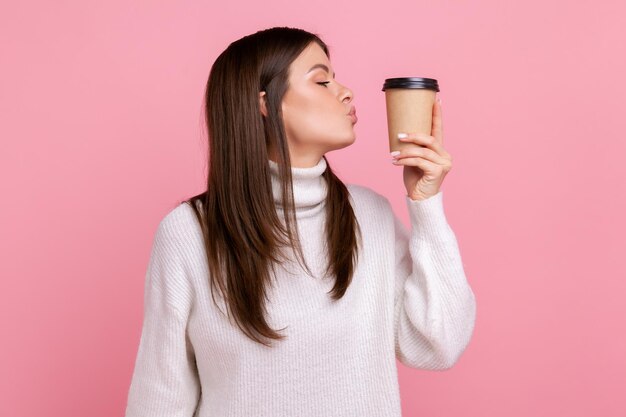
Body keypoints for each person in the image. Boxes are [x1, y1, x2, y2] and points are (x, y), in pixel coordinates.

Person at [124, 26, 476, 417]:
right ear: (266, 104)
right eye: (322, 80)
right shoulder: (189, 232)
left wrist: (425, 205)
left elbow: (438, 345)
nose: (345, 92)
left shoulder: (370, 216)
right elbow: (160, 393)